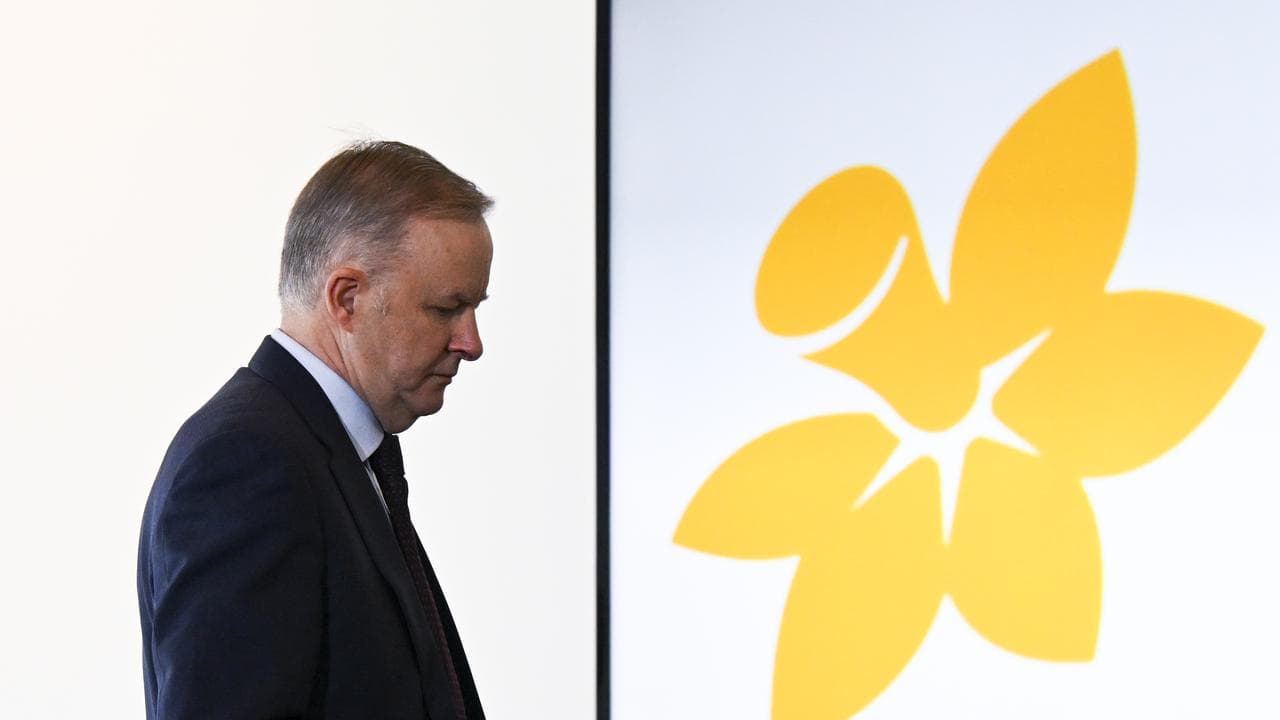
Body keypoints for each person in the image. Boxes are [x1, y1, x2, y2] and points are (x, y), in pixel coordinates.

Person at [137, 140, 493, 720]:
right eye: (446, 308)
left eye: (475, 308)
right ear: (346, 298)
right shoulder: (248, 464)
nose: (471, 343)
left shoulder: (324, 449)